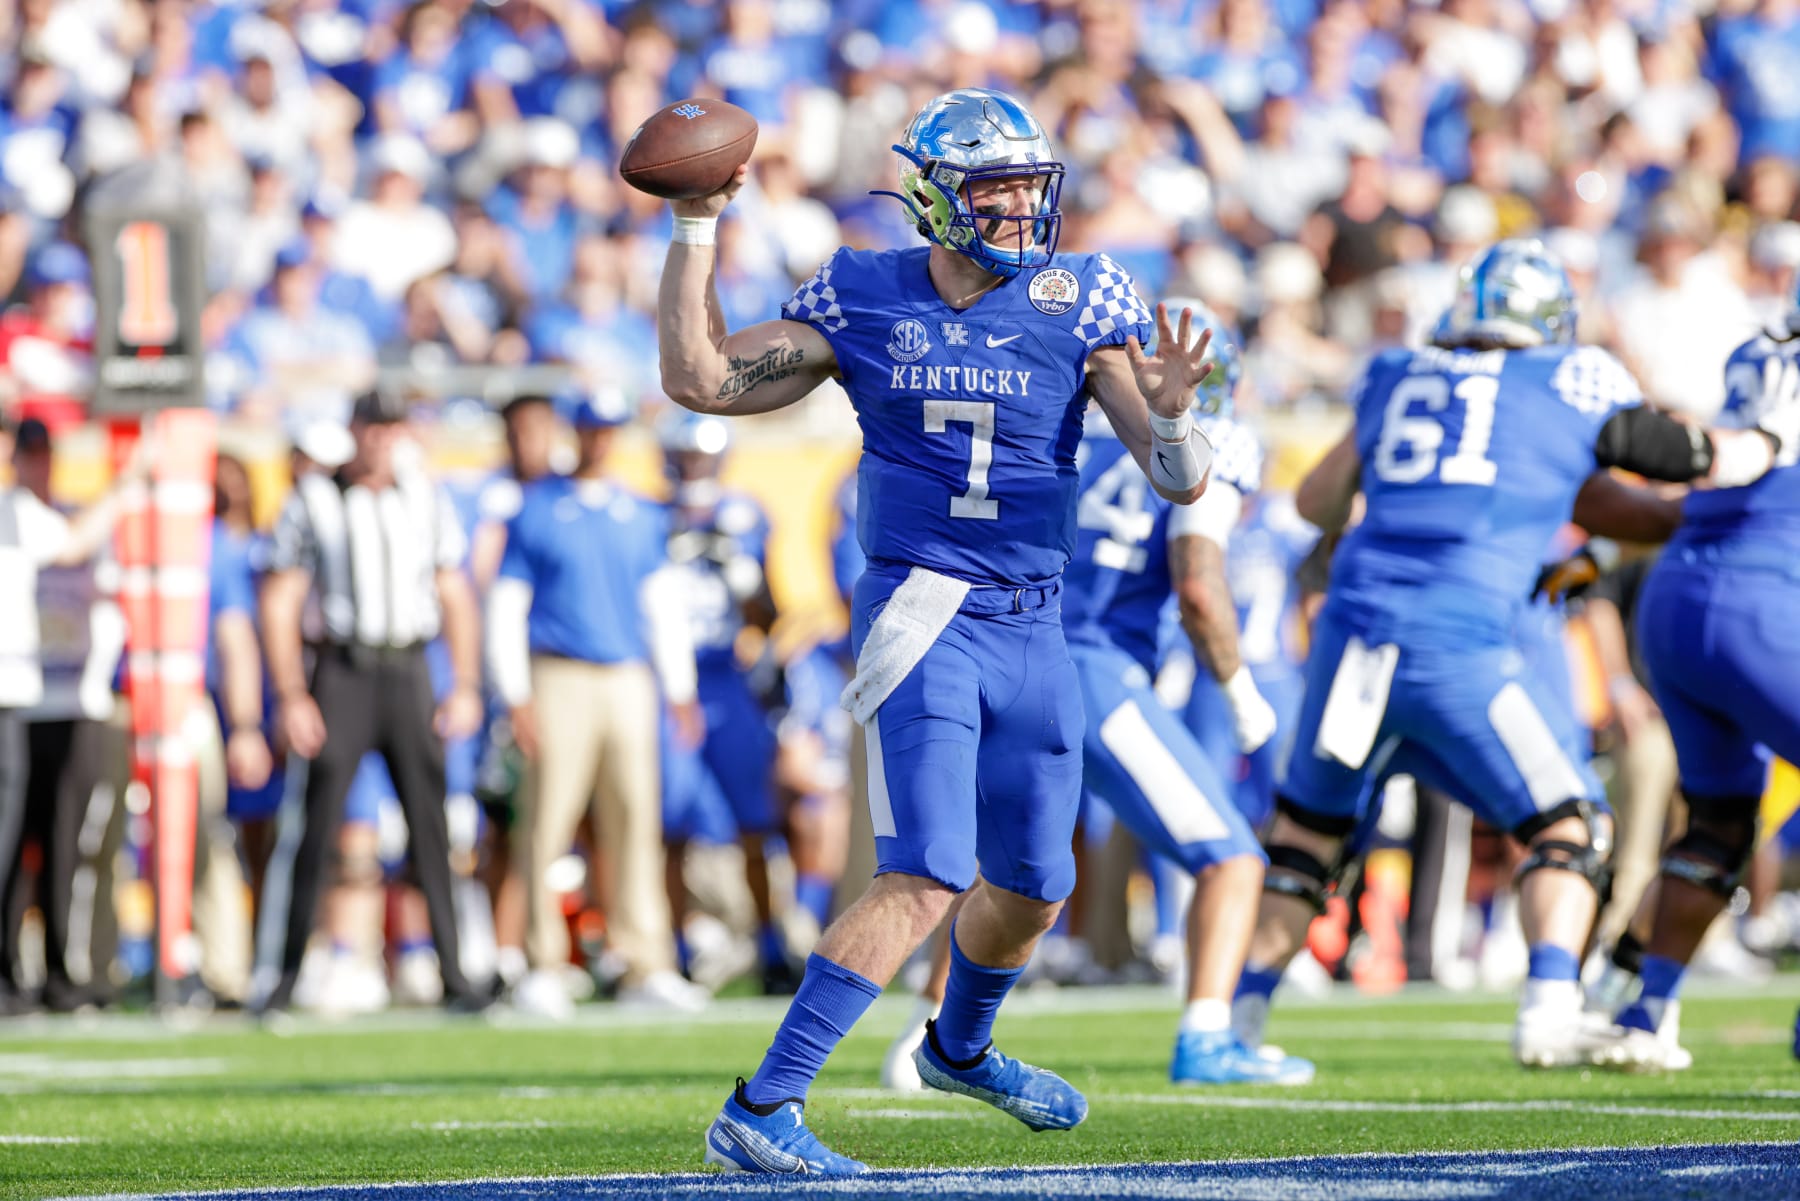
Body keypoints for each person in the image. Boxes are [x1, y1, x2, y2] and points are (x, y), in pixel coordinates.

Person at [658, 87, 1215, 1175]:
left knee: (1038, 882)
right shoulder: (863, 294)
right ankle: (762, 1107)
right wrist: (694, 227)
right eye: (994, 187)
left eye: (1026, 185)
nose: (1018, 208)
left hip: (1037, 620)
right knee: (929, 868)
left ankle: (961, 1047)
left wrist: (1181, 410)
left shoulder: (1084, 292)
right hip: (925, 610)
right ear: (932, 197)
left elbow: (1176, 478)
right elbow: (703, 378)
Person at [1224, 239, 1798, 1071]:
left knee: (1308, 837)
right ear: (1549, 321)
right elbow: (1692, 458)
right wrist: (1766, 444)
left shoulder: (1398, 373)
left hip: (1354, 640)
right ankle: (1551, 1008)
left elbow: (1316, 501)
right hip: (1458, 640)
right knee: (1572, 824)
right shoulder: (1570, 377)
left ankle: (1233, 1024)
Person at [884, 302, 1314, 1089]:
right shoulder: (1205, 441)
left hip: (1009, 648)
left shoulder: (1068, 429)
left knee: (1007, 866)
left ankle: (923, 1034)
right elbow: (1198, 583)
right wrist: (1241, 689)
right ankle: (1208, 1038)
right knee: (1230, 856)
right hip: (1095, 666)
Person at [1599, 274, 1800, 1069]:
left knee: (1716, 826)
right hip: (1759, 596)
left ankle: (1645, 1010)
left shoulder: (1761, 352)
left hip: (1679, 596)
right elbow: (1755, 460)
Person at [258, 389, 493, 1015]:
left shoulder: (425, 495)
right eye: (374, 427)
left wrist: (464, 682)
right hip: (344, 668)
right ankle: (281, 974)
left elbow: (455, 591)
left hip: (410, 666)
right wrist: (291, 692)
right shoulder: (315, 496)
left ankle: (454, 972)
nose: (383, 441)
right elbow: (280, 600)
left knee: (431, 824)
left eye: (393, 428)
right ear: (355, 429)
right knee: (315, 827)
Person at [485, 392, 706, 1018]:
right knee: (547, 819)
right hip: (558, 673)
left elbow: (660, 604)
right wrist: (516, 694)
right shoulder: (537, 509)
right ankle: (542, 960)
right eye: (591, 429)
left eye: (609, 430)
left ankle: (645, 961)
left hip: (627, 677)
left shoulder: (638, 515)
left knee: (635, 818)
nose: (600, 441)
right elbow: (507, 605)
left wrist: (680, 688)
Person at [0, 417, 142, 1014]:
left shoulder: (18, 511)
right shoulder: (17, 510)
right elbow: (77, 542)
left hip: (20, 694)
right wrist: (129, 483)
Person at [656, 410, 792, 993]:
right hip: (670, 684)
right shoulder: (650, 518)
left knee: (755, 822)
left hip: (727, 680)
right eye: (686, 458)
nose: (694, 469)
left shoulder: (744, 515)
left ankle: (771, 944)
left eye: (702, 458)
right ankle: (675, 948)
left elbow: (769, 615)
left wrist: (741, 572)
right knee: (671, 824)